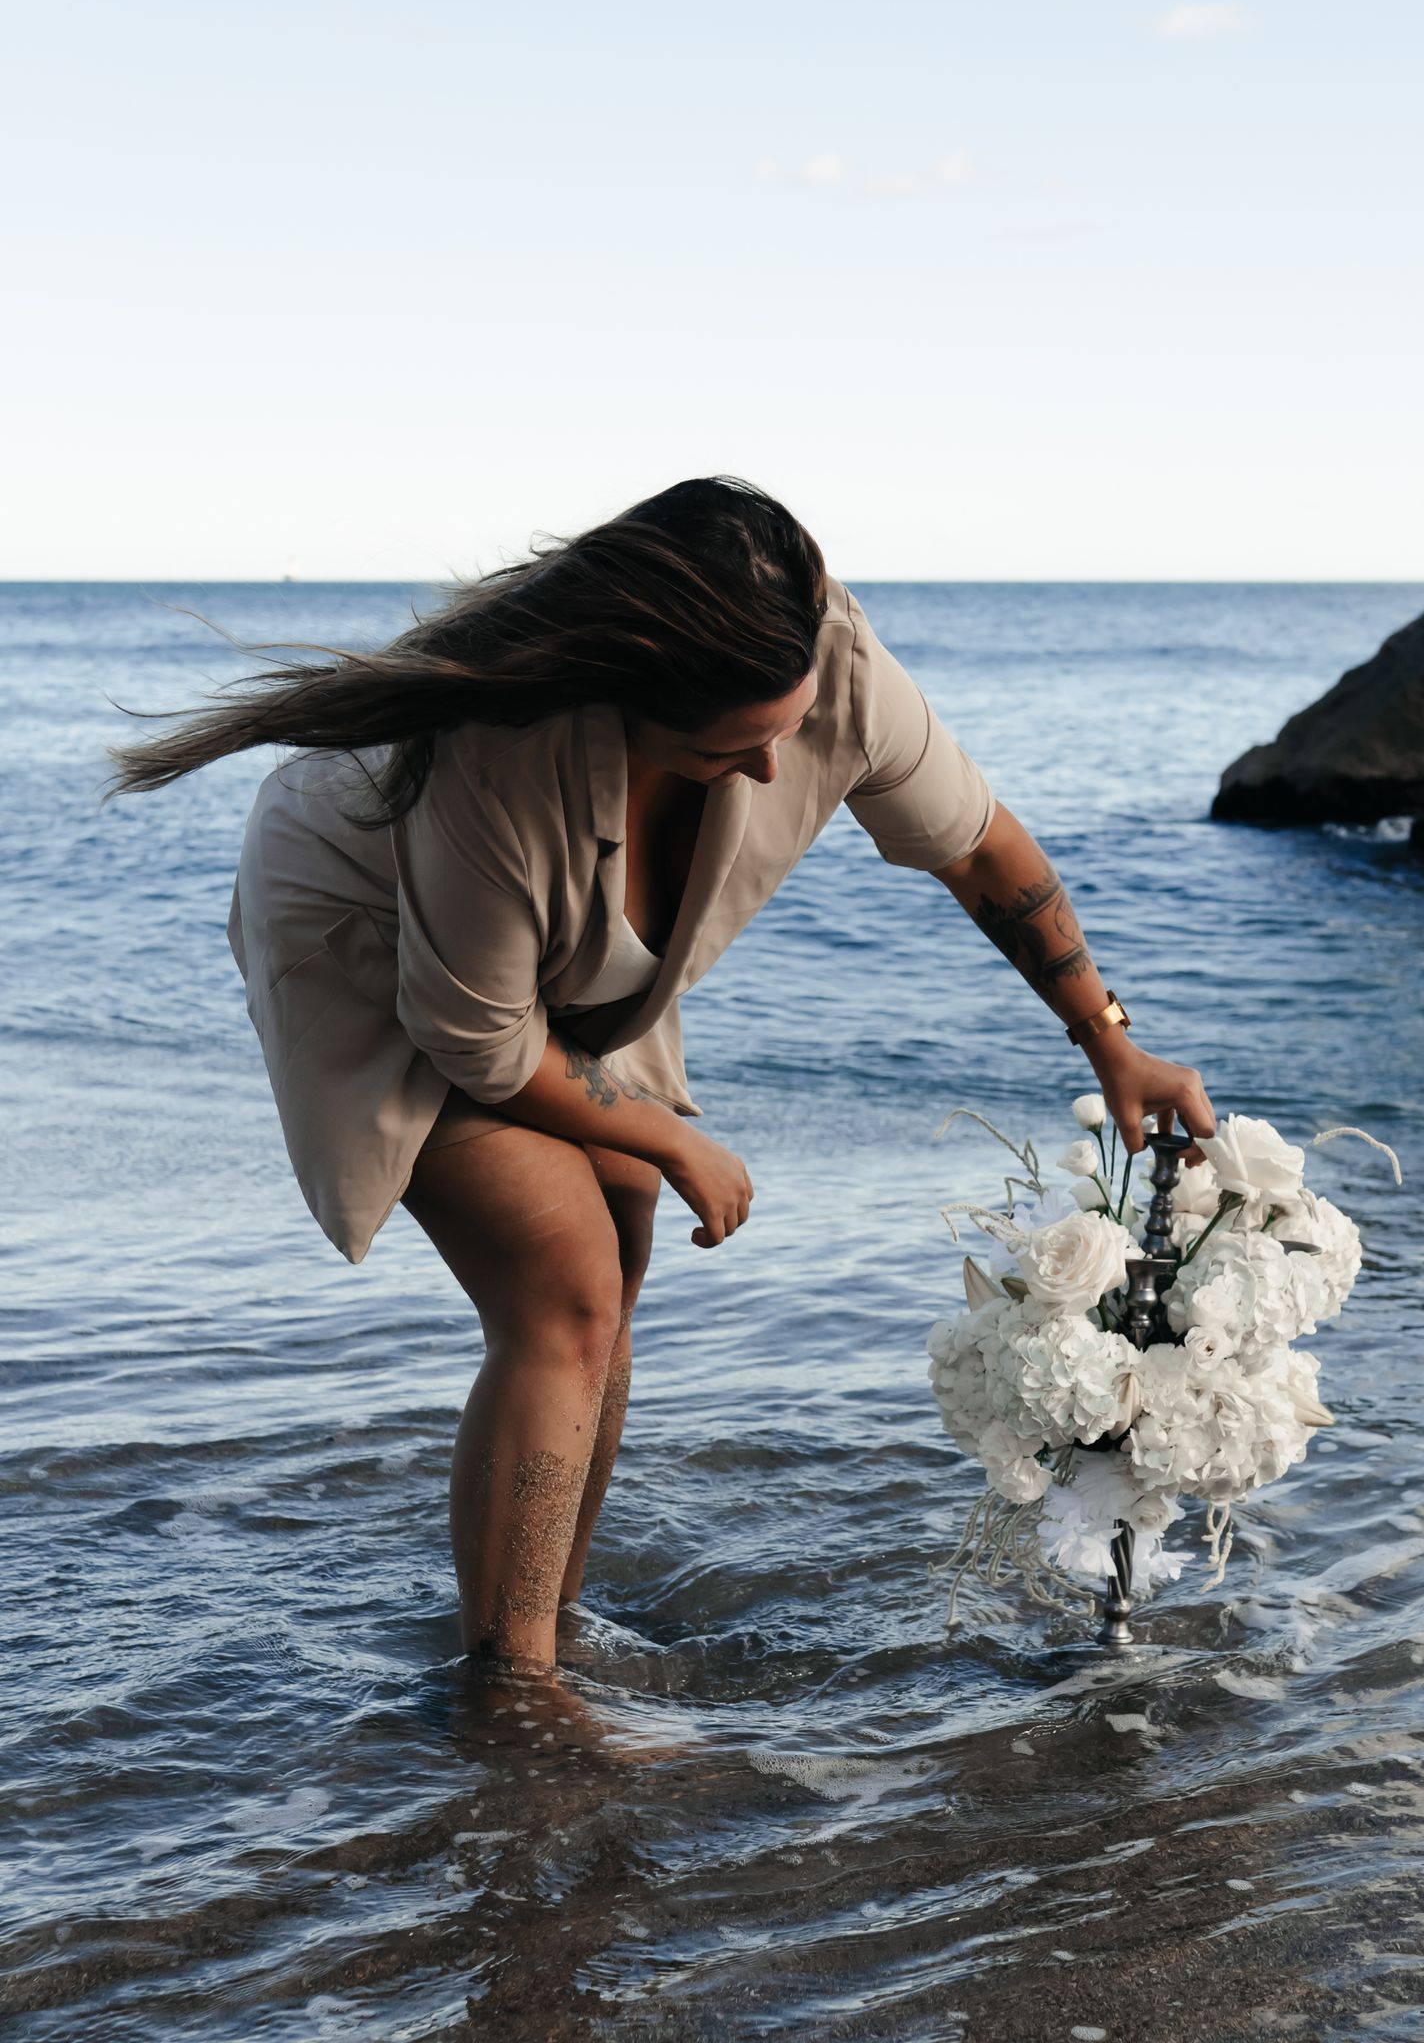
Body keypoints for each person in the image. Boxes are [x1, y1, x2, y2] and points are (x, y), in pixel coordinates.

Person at [106, 474, 1216, 1674]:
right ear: (627, 698)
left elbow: (979, 848)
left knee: (616, 1265)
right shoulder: (495, 760)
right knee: (562, 1277)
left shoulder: (825, 663)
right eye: (726, 749)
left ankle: (543, 1622)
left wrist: (1110, 1038)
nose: (767, 771)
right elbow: (476, 1038)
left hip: (570, 959)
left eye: (782, 733)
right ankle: (514, 1692)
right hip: (379, 931)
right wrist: (677, 1137)